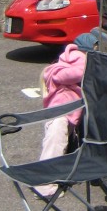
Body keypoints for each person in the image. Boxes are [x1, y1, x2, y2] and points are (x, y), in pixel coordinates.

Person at [33, 37, 89, 199]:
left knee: (54, 144)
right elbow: (75, 73)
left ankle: (46, 179)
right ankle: (45, 185)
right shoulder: (78, 58)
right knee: (55, 146)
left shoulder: (60, 64)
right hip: (61, 115)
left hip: (59, 113)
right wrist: (89, 66)